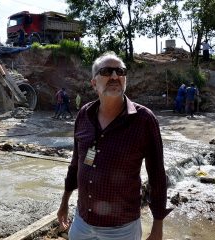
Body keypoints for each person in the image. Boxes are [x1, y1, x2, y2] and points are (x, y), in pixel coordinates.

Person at [57, 52, 170, 240]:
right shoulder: (84, 115)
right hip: (82, 222)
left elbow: (157, 175)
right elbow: (76, 164)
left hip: (122, 229)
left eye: (120, 71)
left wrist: (157, 227)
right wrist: (64, 202)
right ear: (94, 83)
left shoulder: (144, 120)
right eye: (107, 71)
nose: (115, 76)